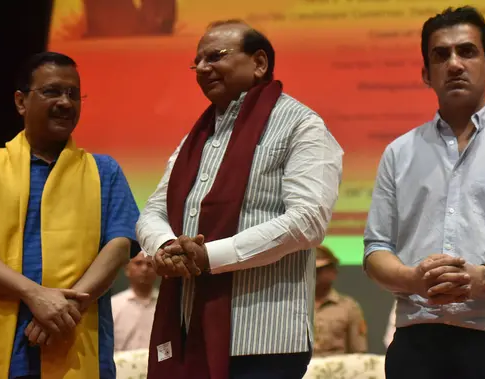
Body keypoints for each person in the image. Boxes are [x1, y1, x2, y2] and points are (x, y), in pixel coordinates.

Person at [136, 19, 343, 379]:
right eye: (196, 62)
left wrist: (209, 257)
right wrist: (166, 247)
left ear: (259, 63)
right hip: (189, 328)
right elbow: (154, 208)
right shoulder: (198, 136)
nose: (201, 68)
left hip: (263, 338)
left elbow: (308, 220)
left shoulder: (301, 124)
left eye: (215, 56)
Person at [364, 6, 485, 379]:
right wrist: (414, 280)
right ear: (426, 74)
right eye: (441, 55)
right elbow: (375, 252)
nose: (454, 64)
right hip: (414, 346)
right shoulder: (399, 152)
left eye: (467, 51)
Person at [0, 51, 140, 379]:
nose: (65, 103)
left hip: (80, 343)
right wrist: (35, 295)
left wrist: (65, 310)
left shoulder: (104, 171)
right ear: (21, 101)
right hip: (5, 348)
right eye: (52, 91)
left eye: (73, 94)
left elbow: (119, 247)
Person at [313, 245, 367, 357]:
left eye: (320, 270)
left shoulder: (348, 307)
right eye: (311, 270)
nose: (315, 275)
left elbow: (358, 352)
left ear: (333, 271)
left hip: (335, 371)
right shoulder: (294, 307)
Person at [111, 252, 159, 351]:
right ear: (127, 269)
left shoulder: (166, 306)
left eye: (150, 264)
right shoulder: (113, 305)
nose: (144, 269)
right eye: (138, 263)